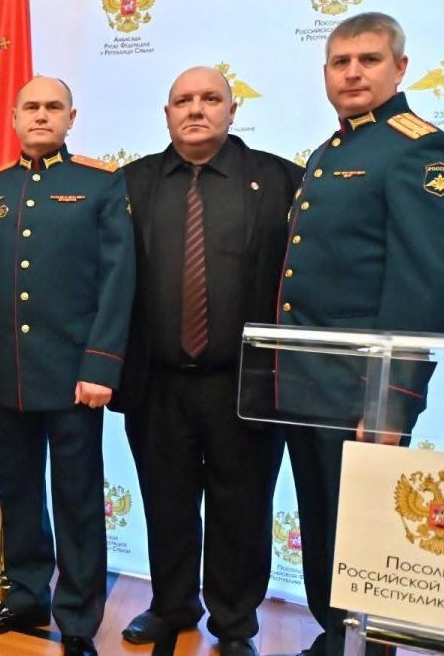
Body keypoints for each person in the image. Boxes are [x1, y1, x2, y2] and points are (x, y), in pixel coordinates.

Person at [277, 12, 444, 656]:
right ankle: (334, 639)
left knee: (362, 541)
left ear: (401, 68)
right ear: (325, 72)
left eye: (369, 59)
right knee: (322, 527)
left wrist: (393, 400)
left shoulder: (421, 149)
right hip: (306, 382)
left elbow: (425, 285)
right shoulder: (330, 152)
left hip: (364, 389)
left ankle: (363, 648)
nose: (353, 72)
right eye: (341, 62)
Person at [110, 66, 302, 656]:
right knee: (165, 502)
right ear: (167, 113)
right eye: (183, 100)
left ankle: (235, 624)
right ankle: (171, 606)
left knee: (241, 509)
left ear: (232, 110)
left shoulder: (280, 180)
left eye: (210, 98)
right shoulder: (131, 184)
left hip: (245, 384)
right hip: (157, 382)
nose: (196, 109)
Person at [0, 76, 134, 656]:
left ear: (71, 118)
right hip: (5, 373)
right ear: (12, 117)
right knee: (20, 492)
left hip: (74, 377)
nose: (41, 115)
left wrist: (101, 366)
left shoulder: (100, 185)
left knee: (78, 499)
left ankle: (78, 616)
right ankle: (27, 593)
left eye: (53, 107)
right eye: (30, 106)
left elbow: (117, 282)